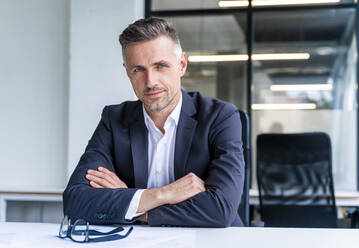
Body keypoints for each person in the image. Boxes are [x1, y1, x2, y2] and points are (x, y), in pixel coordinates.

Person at [63, 17, 244, 227]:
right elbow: (76, 202)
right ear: (127, 72)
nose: (150, 82)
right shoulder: (114, 120)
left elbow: (220, 210)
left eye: (161, 66)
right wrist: (163, 194)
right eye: (138, 69)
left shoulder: (220, 117)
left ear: (182, 65)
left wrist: (129, 203)